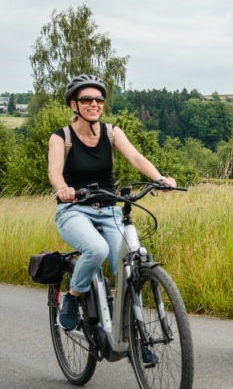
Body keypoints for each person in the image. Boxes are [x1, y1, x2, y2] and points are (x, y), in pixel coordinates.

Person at [48, 74, 178, 357]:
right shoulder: (62, 137)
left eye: (99, 100)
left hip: (109, 209)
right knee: (96, 249)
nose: (94, 104)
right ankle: (73, 297)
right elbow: (54, 170)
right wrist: (63, 189)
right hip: (74, 210)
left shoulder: (111, 132)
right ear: (74, 104)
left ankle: (136, 335)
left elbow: (136, 158)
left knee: (131, 263)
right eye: (86, 99)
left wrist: (159, 178)